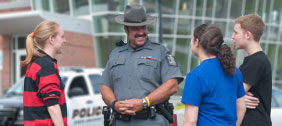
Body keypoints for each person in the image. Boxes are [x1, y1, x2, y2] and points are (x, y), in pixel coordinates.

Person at [100, 3, 183, 126]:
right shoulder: (115, 53)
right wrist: (114, 104)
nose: (141, 32)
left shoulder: (160, 51)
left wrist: (145, 102)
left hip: (152, 121)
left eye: (143, 27)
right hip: (119, 122)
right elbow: (105, 87)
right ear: (126, 30)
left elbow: (172, 85)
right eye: (135, 28)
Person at [182, 24, 246, 126]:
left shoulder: (195, 76)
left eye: (192, 39)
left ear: (197, 42)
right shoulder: (235, 72)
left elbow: (190, 121)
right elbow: (241, 108)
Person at [21, 21, 67, 126]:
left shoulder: (36, 63)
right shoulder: (46, 66)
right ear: (51, 39)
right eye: (62, 36)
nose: (65, 40)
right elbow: (53, 106)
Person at [232, 14, 272, 126]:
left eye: (236, 32)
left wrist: (237, 98)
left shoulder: (256, 61)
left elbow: (232, 93)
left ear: (248, 35)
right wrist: (240, 99)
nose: (232, 36)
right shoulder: (255, 60)